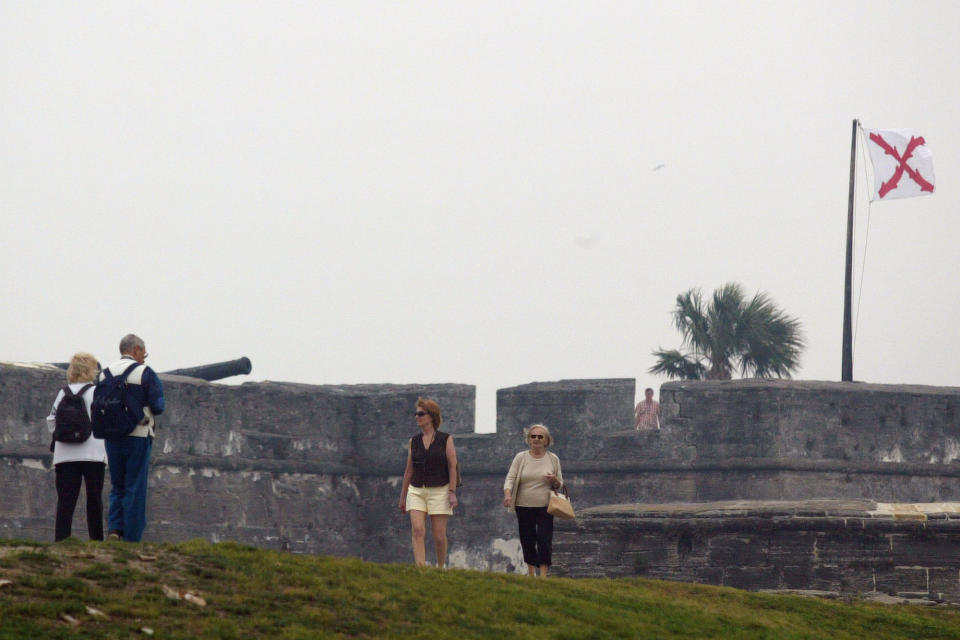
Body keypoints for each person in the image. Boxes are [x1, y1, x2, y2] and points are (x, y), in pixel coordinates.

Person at [100, 334, 165, 542]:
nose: (144, 358)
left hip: (112, 436)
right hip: (138, 434)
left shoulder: (104, 374)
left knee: (117, 485)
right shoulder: (145, 373)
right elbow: (158, 406)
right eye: (144, 353)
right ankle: (132, 536)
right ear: (136, 350)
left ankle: (114, 529)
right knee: (135, 486)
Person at [45, 352, 106, 541]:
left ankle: (62, 540)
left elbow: (51, 422)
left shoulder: (63, 393)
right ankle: (96, 540)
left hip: (65, 455)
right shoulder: (96, 392)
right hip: (93, 454)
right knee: (94, 501)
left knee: (65, 502)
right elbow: (103, 419)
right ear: (92, 370)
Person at [398, 397, 458, 567]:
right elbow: (409, 470)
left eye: (420, 413)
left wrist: (452, 492)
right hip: (416, 490)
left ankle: (440, 567)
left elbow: (453, 466)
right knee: (418, 530)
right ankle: (421, 567)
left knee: (439, 536)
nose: (417, 417)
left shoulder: (445, 439)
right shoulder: (414, 441)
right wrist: (403, 497)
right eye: (416, 414)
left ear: (431, 416)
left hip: (440, 489)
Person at [503, 423, 563, 577]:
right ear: (529, 439)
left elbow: (560, 484)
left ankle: (543, 574)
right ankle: (531, 573)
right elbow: (510, 477)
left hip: (545, 506)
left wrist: (554, 479)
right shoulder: (521, 457)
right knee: (528, 540)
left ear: (546, 440)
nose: (536, 439)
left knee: (544, 540)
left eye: (540, 436)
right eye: (533, 436)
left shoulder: (553, 458)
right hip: (523, 506)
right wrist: (508, 494)